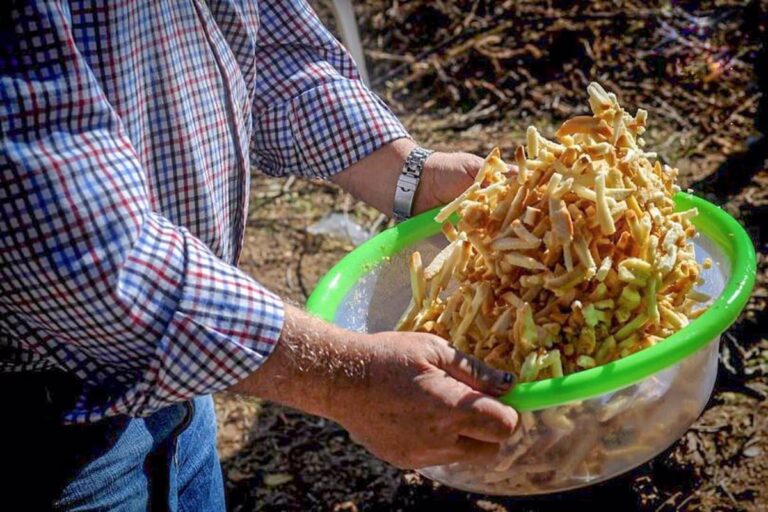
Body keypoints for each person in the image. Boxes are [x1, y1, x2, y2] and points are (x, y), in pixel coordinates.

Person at [0, 1, 519, 510]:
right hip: (48, 438)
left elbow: (269, 49)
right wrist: (346, 378)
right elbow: (64, 242)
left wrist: (412, 176)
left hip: (182, 377)